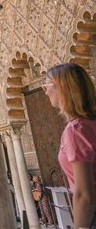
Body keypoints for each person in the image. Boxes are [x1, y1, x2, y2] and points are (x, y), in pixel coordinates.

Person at [43, 63, 96, 229]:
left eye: (46, 85)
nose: (45, 91)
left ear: (62, 88)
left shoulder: (76, 129)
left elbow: (84, 194)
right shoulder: (91, 123)